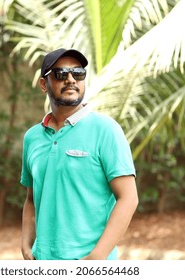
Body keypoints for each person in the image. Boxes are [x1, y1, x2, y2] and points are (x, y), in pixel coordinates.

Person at [20, 48, 139, 260]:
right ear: (42, 84)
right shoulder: (32, 138)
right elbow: (31, 199)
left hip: (91, 264)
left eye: (78, 73)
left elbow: (128, 198)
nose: (71, 79)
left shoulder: (105, 130)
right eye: (60, 74)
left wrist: (96, 257)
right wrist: (26, 244)